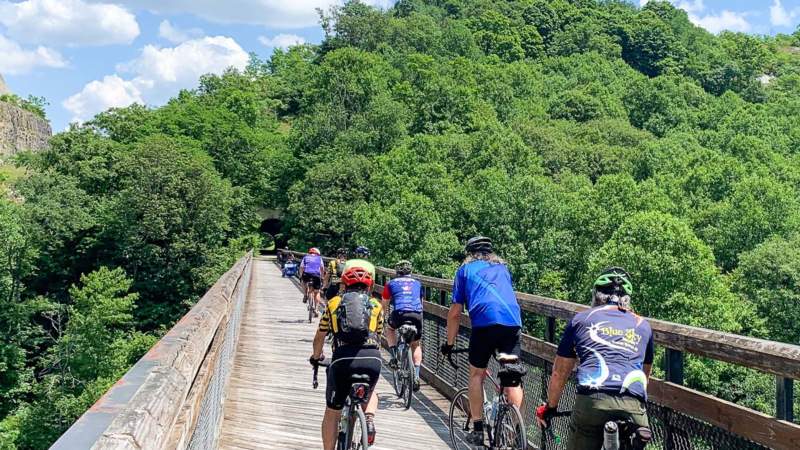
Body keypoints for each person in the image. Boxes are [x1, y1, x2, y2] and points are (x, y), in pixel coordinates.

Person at [536, 267, 654, 450]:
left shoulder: (581, 320)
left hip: (593, 401)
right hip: (634, 403)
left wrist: (551, 407)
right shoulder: (643, 325)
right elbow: (645, 375)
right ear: (627, 300)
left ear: (596, 296)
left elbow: (560, 372)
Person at [440, 236, 523, 447]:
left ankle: (477, 429)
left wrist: (449, 344)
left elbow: (455, 313)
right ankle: (515, 431)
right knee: (512, 376)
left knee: (476, 375)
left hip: (484, 324)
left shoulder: (464, 271)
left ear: (469, 253)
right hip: (512, 322)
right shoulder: (503, 268)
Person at [310, 266, 384, 449]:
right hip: (372, 358)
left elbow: (320, 336)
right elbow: (378, 336)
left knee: (332, 412)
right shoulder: (376, 305)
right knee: (372, 391)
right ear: (369, 286)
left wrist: (316, 357)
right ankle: (369, 418)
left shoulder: (334, 303)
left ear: (343, 285)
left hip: (343, 359)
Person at [381, 260, 424, 391]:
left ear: (397, 272)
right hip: (416, 315)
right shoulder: (418, 283)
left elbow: (384, 304)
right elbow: (422, 303)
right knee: (416, 344)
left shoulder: (391, 283)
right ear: (410, 271)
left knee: (390, 328)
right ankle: (416, 375)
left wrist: (383, 318)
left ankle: (394, 357)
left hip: (399, 313)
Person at [300, 247, 325, 317]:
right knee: (317, 292)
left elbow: (301, 267)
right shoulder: (319, 258)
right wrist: (322, 277)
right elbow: (322, 268)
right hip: (316, 275)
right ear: (317, 253)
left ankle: (305, 294)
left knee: (303, 281)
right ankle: (316, 309)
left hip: (306, 274)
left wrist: (300, 275)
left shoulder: (305, 257)